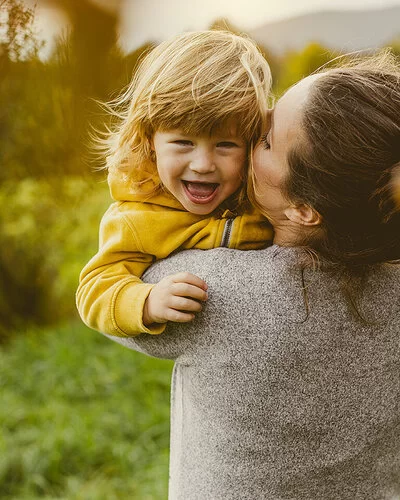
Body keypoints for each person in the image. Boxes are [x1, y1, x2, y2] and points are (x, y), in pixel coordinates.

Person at [106, 51, 400, 499]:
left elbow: (113, 300)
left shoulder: (209, 290)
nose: (250, 132)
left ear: (304, 208)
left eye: (263, 140)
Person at [76, 30, 273, 338]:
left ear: (250, 144)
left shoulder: (263, 190)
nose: (203, 164)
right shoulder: (137, 218)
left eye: (225, 145)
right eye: (183, 142)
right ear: (150, 140)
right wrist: (147, 302)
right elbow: (94, 289)